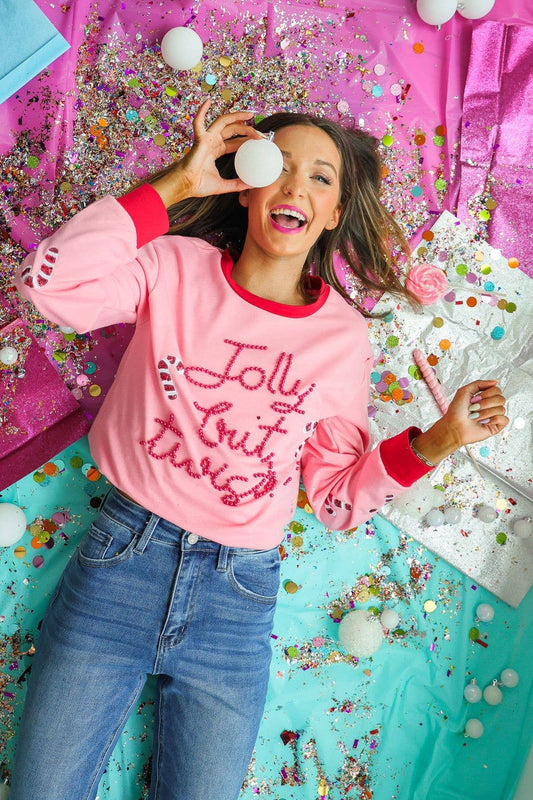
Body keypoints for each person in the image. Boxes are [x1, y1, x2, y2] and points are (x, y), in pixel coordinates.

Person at [9, 99, 508, 800]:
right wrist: (179, 183)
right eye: (276, 166)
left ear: (333, 213)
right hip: (121, 562)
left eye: (321, 178)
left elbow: (334, 498)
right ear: (245, 180)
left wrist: (439, 440)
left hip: (234, 601)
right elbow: (49, 282)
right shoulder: (173, 268)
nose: (294, 188)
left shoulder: (340, 340)